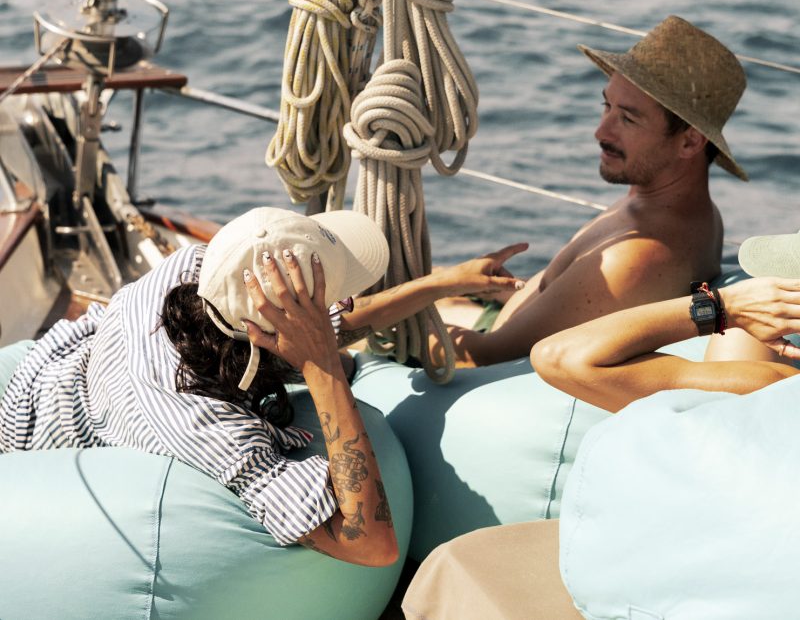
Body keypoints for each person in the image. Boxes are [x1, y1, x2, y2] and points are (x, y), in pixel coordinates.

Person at [0, 206, 525, 565]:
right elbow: (371, 544)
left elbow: (336, 320)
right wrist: (321, 367)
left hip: (56, 363)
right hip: (35, 440)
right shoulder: (207, 429)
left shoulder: (199, 269)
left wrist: (445, 282)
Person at [403, 229, 800, 619]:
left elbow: (561, 357)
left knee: (460, 561)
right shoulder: (774, 388)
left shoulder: (770, 389)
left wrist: (722, 306)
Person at [438, 14, 749, 367]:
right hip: (497, 321)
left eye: (628, 118)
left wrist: (390, 312)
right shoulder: (666, 205)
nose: (601, 132)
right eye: (607, 106)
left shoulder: (639, 254)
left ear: (690, 141)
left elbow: (484, 356)